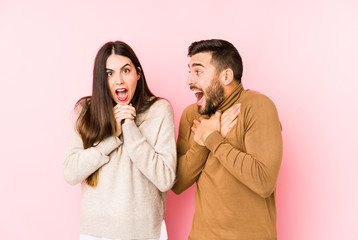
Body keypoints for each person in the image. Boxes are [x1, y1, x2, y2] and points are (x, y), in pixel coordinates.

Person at [63, 41, 176, 240]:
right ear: (101, 79)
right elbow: (71, 172)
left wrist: (129, 127)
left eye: (125, 70)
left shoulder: (159, 110)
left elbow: (165, 178)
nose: (119, 81)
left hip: (145, 234)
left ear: (138, 74)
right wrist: (112, 136)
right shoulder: (87, 110)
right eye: (109, 73)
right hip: (96, 233)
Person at [172, 39, 283, 239]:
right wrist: (201, 142)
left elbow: (264, 181)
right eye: (189, 72)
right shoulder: (192, 115)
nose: (189, 80)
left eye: (198, 72)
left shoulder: (257, 106)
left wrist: (213, 139)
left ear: (226, 76)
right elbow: (178, 183)